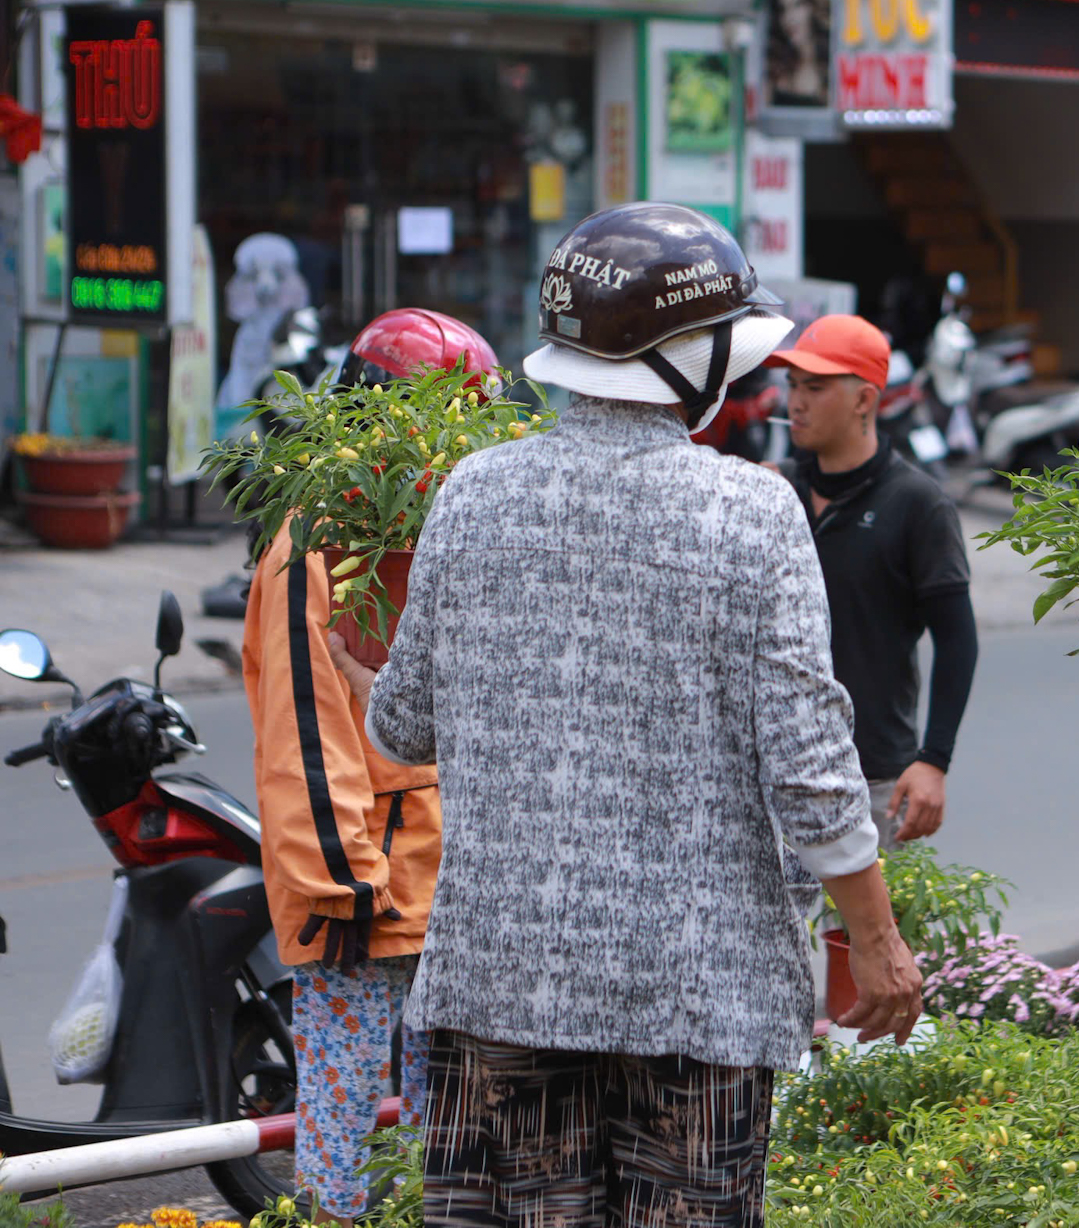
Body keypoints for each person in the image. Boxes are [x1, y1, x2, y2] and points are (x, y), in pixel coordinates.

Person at [327, 203, 924, 1228]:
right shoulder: (751, 510)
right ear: (686, 362)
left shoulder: (471, 493)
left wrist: (366, 666)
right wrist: (873, 938)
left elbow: (402, 730)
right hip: (696, 997)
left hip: (500, 981)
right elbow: (810, 764)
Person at [240, 307, 497, 1225]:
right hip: (362, 893)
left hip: (445, 892)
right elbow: (304, 730)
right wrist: (341, 880)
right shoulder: (310, 542)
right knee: (341, 1150)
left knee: (453, 1148)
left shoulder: (431, 527)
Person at [767, 315, 978, 845]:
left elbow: (957, 640)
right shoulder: (770, 493)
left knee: (862, 932)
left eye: (815, 387)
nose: (796, 402)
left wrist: (934, 760)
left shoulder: (916, 503)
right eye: (792, 386)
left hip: (871, 777)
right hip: (767, 773)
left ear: (864, 400)